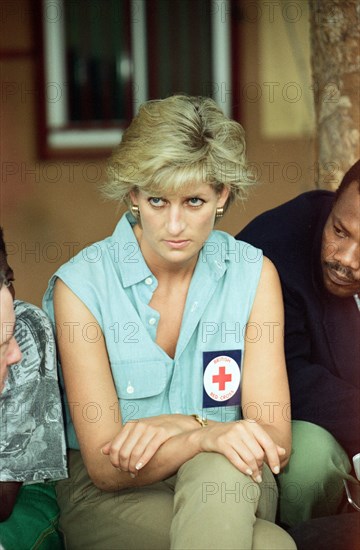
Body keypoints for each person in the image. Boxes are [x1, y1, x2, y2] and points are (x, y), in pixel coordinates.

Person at [43, 95, 296, 549]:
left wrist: (193, 433)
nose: (174, 225)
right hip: (113, 494)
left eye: (194, 200)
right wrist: (202, 432)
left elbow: (275, 439)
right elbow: (105, 468)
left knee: (221, 461)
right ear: (133, 194)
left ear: (222, 195)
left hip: (231, 476)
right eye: (157, 200)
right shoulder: (81, 288)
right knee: (273, 546)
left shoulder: (254, 275)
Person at [236, 160, 360, 529]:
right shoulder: (275, 249)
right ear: (333, 201)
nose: (345, 259)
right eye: (340, 231)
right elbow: (287, 372)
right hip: (293, 417)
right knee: (308, 463)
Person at [0, 228, 68, 550]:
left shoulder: (23, 332)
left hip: (23, 490)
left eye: (7, 280)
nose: (12, 355)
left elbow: (4, 499)